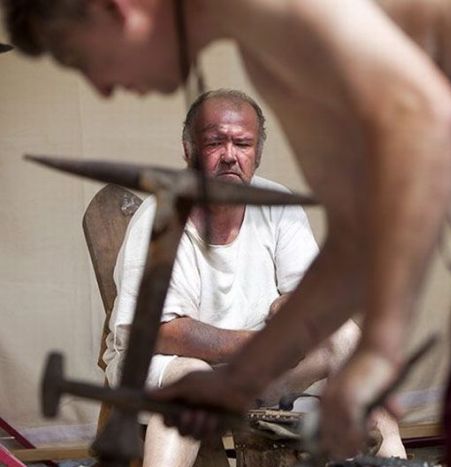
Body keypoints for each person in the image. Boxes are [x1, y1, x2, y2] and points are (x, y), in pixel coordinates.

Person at [3, 0, 451, 465]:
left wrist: (373, 345)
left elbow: (420, 129)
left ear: (120, 9)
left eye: (78, 55)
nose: (98, 87)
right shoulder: (260, 49)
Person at [103, 88, 405, 466]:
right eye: (215, 142)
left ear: (257, 154)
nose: (230, 155)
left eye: (242, 144)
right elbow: (162, 332)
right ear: (188, 150)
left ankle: (395, 457)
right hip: (165, 367)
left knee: (345, 334)